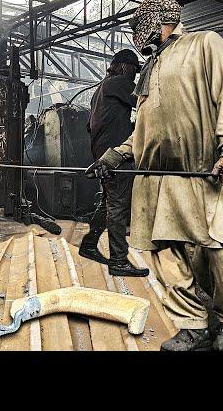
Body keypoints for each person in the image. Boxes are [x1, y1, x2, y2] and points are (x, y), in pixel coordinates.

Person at [88, 0, 223, 351]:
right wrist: (114, 156)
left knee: (218, 250)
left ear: (157, 20)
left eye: (140, 26)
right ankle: (191, 323)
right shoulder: (148, 72)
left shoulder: (204, 44)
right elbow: (144, 131)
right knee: (167, 255)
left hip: (204, 174)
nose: (138, 35)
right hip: (158, 182)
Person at [79, 49, 149, 277]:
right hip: (116, 155)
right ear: (124, 66)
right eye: (134, 70)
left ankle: (89, 245)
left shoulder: (101, 88)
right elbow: (146, 105)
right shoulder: (121, 82)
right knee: (118, 206)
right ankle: (119, 260)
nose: (135, 76)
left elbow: (90, 126)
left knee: (109, 201)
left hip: (101, 154)